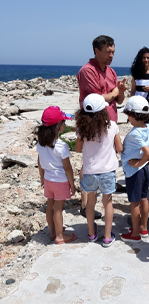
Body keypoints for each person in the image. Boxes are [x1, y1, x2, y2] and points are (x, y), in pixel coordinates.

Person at [77, 35, 127, 219]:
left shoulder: (112, 72)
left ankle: (106, 193)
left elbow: (119, 100)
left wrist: (120, 92)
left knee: (107, 157)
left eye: (113, 52)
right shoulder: (87, 71)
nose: (111, 55)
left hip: (110, 123)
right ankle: (86, 203)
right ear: (97, 51)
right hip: (93, 123)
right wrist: (113, 92)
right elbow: (95, 99)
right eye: (108, 52)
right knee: (89, 160)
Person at [75, 94, 123, 247]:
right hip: (108, 171)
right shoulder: (112, 126)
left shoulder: (82, 129)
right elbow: (119, 148)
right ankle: (107, 236)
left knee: (90, 203)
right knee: (107, 203)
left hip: (90, 171)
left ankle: (91, 233)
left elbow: (77, 148)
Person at [120, 96, 149, 242]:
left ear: (132, 116)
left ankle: (134, 234)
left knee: (134, 202)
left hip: (135, 171)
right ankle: (143, 228)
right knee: (144, 198)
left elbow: (147, 152)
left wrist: (140, 162)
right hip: (145, 169)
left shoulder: (134, 133)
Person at [36, 106, 76, 244]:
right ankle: (60, 236)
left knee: (50, 206)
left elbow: (40, 162)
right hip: (60, 181)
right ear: (59, 126)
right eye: (64, 122)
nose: (65, 124)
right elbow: (67, 168)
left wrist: (42, 176)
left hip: (48, 179)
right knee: (58, 209)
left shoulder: (40, 144)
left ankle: (53, 232)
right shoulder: (61, 146)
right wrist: (72, 183)